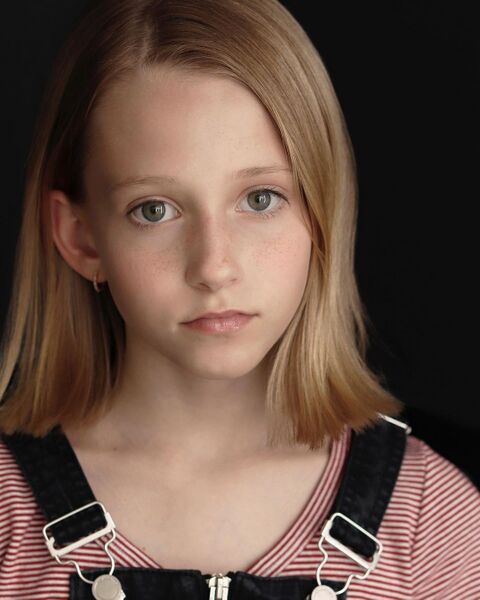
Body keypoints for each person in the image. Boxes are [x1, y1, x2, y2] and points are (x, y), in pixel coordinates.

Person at [0, 0, 478, 598]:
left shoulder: (432, 521)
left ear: (321, 210)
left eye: (260, 199)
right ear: (81, 238)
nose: (214, 268)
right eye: (155, 210)